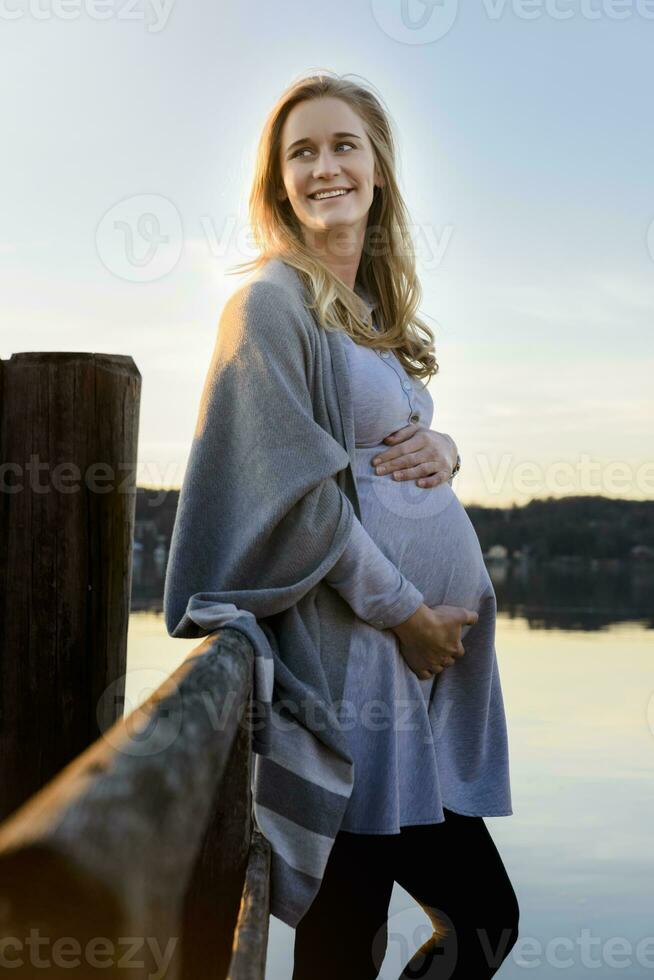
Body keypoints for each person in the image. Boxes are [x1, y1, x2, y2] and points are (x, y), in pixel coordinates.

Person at [164, 71, 519, 978]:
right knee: (458, 922)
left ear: (379, 165)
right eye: (302, 152)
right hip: (354, 671)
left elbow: (377, 449)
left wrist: (442, 444)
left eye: (344, 145)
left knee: (374, 932)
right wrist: (408, 612)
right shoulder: (268, 303)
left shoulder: (370, 317)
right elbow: (292, 490)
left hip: (405, 685)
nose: (325, 167)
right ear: (278, 180)